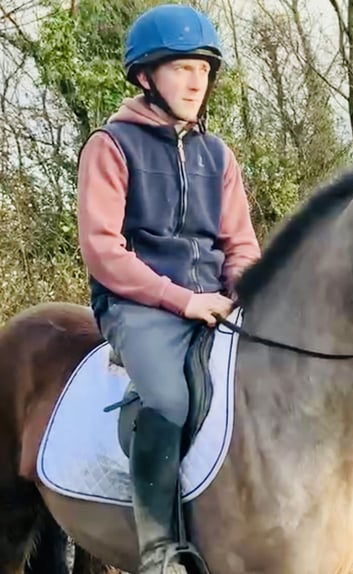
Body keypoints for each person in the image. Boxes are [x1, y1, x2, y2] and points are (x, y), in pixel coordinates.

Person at [76, 4, 260, 572]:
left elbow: (241, 243)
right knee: (169, 397)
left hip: (215, 299)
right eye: (182, 68)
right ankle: (158, 546)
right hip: (136, 304)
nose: (195, 80)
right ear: (145, 76)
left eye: (203, 69)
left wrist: (247, 291)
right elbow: (104, 251)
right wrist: (183, 299)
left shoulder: (218, 155)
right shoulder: (110, 145)